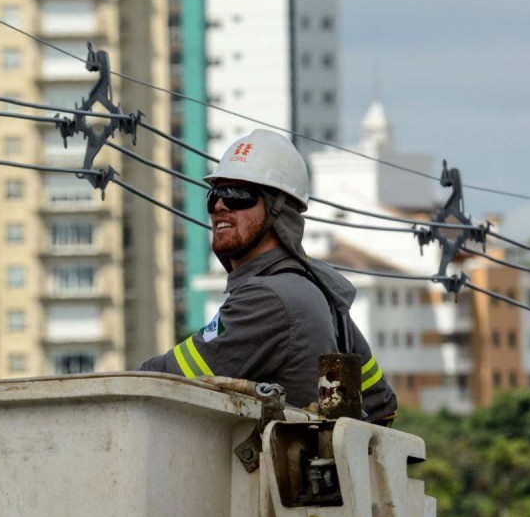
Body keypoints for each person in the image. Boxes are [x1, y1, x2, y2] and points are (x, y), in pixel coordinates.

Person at [138, 129, 398, 424]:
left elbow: (164, 379)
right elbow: (381, 403)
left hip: (273, 470)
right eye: (215, 196)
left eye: (238, 196)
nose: (220, 206)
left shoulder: (268, 298)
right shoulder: (320, 289)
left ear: (279, 209)